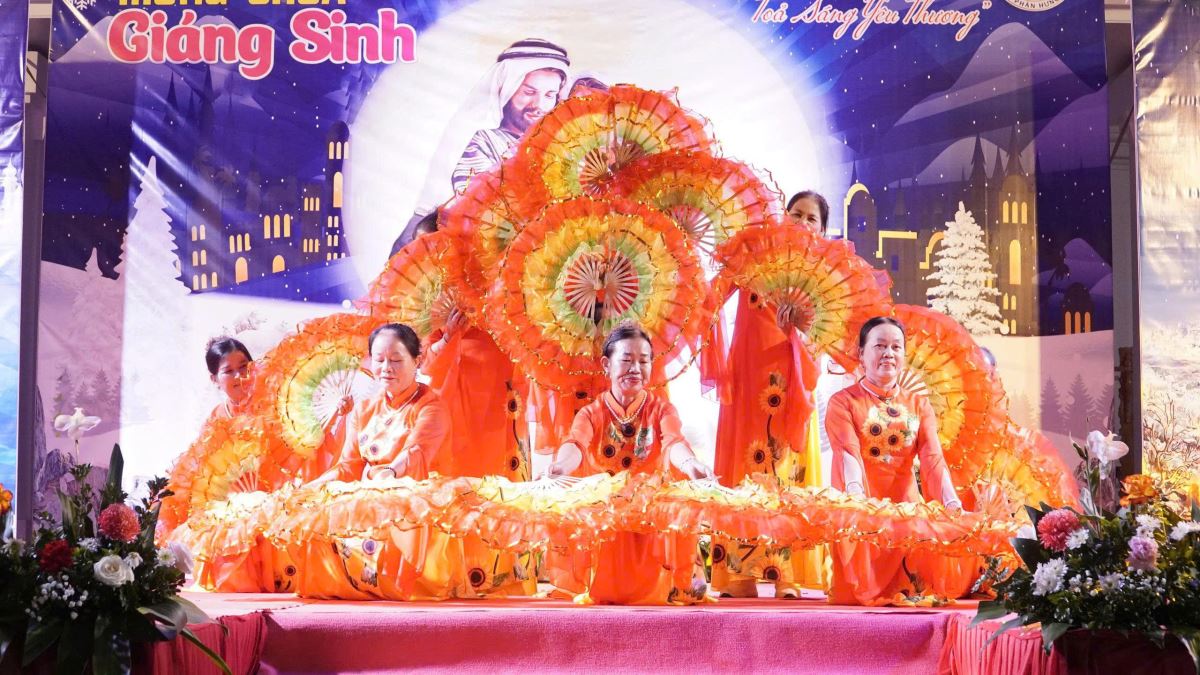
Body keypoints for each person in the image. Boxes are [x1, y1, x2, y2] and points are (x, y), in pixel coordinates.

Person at [709, 192, 831, 599]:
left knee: (786, 470)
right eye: (796, 214)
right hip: (748, 381)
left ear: (822, 230)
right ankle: (739, 575)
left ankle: (786, 575)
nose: (802, 222)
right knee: (745, 467)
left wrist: (804, 327)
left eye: (812, 218)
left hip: (792, 385)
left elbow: (831, 335)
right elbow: (710, 299)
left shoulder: (824, 275)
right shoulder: (753, 255)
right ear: (782, 217)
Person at [542, 322, 714, 605]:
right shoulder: (592, 413)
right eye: (626, 360)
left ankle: (672, 581)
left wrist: (690, 463)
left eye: (643, 361)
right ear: (606, 365)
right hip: (608, 518)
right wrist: (560, 466)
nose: (635, 368)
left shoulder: (660, 409)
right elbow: (576, 443)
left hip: (648, 517)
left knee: (676, 501)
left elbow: (673, 441)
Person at [291, 323, 467, 600]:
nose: (386, 368)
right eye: (379, 359)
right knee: (315, 511)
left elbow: (415, 454)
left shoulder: (430, 406)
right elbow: (348, 466)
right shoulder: (364, 409)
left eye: (396, 360)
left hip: (414, 502)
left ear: (417, 361)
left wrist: (387, 476)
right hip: (370, 494)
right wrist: (312, 487)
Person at [824, 316, 966, 606]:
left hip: (906, 514)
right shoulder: (843, 402)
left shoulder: (918, 404)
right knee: (860, 599)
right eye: (879, 346)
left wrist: (952, 502)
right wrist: (857, 501)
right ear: (861, 354)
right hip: (863, 511)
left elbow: (932, 458)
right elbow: (848, 452)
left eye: (896, 347)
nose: (888, 353)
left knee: (914, 595)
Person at [396, 39, 571, 250]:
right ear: (506, 90)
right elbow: (479, 209)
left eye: (550, 95)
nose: (539, 105)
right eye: (528, 92)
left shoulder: (562, 147)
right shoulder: (483, 141)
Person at [424, 307, 536, 596]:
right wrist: (448, 335)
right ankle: (451, 573)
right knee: (456, 484)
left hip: (502, 398)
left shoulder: (509, 295)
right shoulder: (437, 300)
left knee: (501, 481)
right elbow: (424, 363)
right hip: (455, 403)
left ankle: (504, 575)